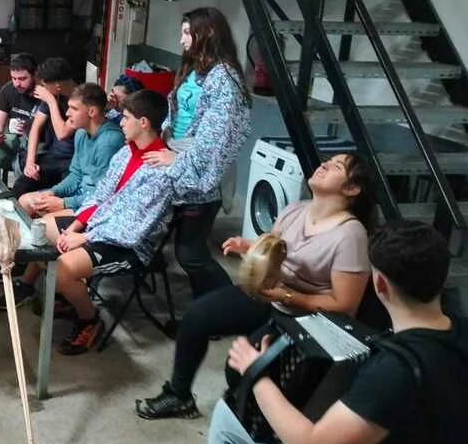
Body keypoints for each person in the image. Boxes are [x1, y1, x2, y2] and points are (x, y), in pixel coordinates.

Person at [196, 220, 468, 444]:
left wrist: (256, 374)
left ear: (379, 284)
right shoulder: (459, 333)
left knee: (229, 417)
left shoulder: (396, 370)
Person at [136, 153, 375, 420]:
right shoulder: (296, 210)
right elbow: (273, 247)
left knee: (237, 369)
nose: (324, 165)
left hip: (303, 317)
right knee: (196, 317)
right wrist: (248, 246)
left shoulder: (350, 236)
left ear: (352, 189)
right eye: (326, 161)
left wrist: (287, 295)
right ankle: (179, 397)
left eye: (336, 166)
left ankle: (251, 411)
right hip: (270, 294)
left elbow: (344, 304)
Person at [45, 89, 174, 355]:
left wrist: (85, 237)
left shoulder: (161, 169)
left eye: (125, 117)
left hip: (129, 246)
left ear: (143, 122)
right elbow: (100, 196)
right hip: (102, 228)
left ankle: (90, 320)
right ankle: (72, 296)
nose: (120, 123)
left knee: (62, 269)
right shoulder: (127, 152)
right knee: (42, 229)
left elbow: (133, 227)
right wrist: (75, 226)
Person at [144, 7, 252, 300]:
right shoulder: (194, 69)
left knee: (191, 253)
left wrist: (178, 160)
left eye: (186, 33)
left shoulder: (224, 78)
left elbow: (214, 139)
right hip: (178, 157)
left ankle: (229, 305)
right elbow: (176, 112)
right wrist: (164, 136)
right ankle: (207, 306)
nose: (181, 40)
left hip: (200, 174)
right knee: (184, 249)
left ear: (208, 33)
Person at [0, 83, 125, 309]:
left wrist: (63, 202)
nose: (67, 113)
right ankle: (23, 264)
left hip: (93, 208)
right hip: (80, 198)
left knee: (41, 227)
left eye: (73, 108)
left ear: (92, 111)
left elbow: (102, 195)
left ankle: (30, 282)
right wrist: (53, 192)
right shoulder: (82, 133)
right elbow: (75, 175)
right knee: (25, 201)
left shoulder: (109, 141)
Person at [12, 57, 77, 199]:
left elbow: (62, 134)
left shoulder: (80, 100)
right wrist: (30, 162)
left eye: (44, 85)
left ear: (58, 85)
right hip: (52, 157)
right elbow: (35, 128)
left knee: (48, 196)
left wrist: (51, 101)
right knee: (21, 186)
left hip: (71, 164)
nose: (42, 89)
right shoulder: (54, 95)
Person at [0, 52, 39, 171]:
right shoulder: (9, 89)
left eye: (22, 79)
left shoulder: (44, 93)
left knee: (25, 161)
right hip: (13, 139)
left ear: (35, 75)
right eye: (14, 78)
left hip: (37, 143)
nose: (17, 84)